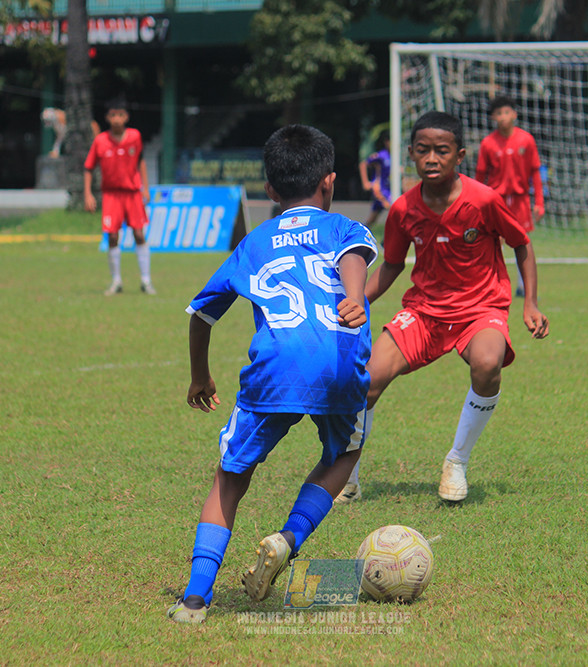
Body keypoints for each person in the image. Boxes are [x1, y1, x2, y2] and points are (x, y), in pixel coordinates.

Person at [167, 124, 377, 624]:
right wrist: (352, 296)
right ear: (329, 182)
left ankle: (195, 599)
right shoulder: (344, 227)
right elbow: (354, 259)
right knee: (345, 451)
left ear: (269, 191)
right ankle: (288, 539)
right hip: (339, 364)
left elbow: (201, 313)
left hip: (273, 369)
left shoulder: (254, 241)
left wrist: (200, 376)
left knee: (231, 478)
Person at [336, 110, 549, 505]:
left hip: (480, 308)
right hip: (424, 312)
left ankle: (457, 461)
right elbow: (393, 265)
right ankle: (346, 475)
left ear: (459, 155)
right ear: (412, 155)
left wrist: (530, 302)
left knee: (488, 364)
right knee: (363, 381)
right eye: (422, 150)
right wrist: (356, 300)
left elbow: (521, 242)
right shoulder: (402, 209)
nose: (431, 159)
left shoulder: (483, 200)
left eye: (441, 151)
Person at [83, 96, 154, 296]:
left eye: (120, 115)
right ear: (107, 117)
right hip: (111, 195)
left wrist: (145, 188)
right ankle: (116, 281)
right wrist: (88, 193)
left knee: (139, 234)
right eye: (113, 114)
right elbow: (88, 168)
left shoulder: (134, 137)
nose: (116, 119)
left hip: (132, 193)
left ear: (126, 117)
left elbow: (140, 161)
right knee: (112, 236)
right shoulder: (100, 141)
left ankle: (146, 280)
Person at [475, 96, 545, 298]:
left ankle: (524, 287)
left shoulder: (526, 139)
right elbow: (480, 176)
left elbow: (535, 172)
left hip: (521, 200)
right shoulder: (488, 143)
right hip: (495, 200)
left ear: (514, 114)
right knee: (490, 243)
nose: (503, 117)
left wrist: (539, 202)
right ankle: (488, 287)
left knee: (522, 242)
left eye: (506, 112)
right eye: (499, 113)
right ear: (493, 117)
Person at [358, 129, 391, 231]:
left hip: (389, 189)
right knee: (396, 210)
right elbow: (363, 164)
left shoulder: (395, 156)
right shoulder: (381, 155)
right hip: (381, 190)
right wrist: (366, 183)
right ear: (386, 142)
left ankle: (359, 234)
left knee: (372, 219)